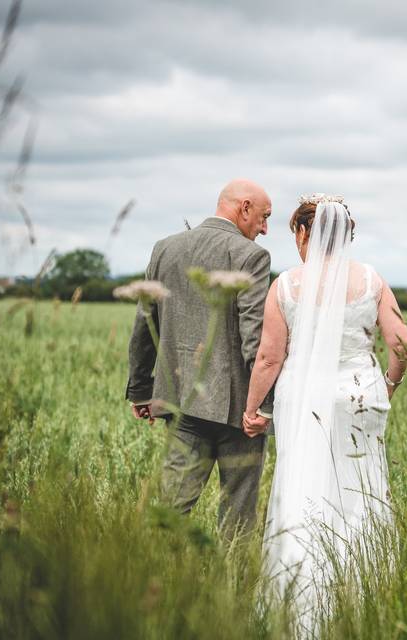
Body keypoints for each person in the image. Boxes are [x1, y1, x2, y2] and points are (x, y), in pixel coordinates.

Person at [242, 194, 407, 633]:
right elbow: (401, 343)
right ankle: (365, 600)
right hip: (360, 394)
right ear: (346, 235)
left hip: (303, 396)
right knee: (362, 488)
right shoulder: (372, 280)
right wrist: (387, 384)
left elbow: (268, 356)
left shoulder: (288, 285)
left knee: (304, 488)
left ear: (303, 234)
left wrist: (253, 408)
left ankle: (300, 604)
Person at [126, 178, 274, 539]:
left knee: (171, 511)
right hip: (239, 411)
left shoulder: (165, 248)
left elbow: (145, 325)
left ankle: (159, 587)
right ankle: (233, 592)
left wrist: (141, 391)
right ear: (244, 209)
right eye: (264, 217)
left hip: (181, 403)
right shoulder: (251, 256)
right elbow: (254, 340)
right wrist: (263, 407)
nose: (265, 229)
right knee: (237, 519)